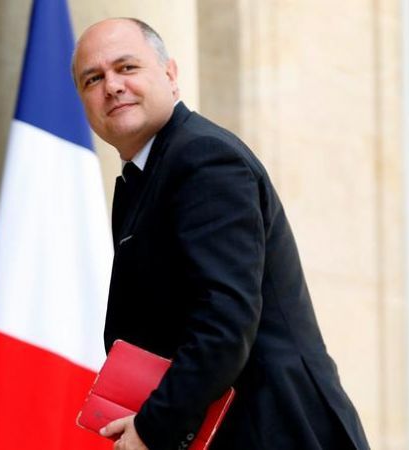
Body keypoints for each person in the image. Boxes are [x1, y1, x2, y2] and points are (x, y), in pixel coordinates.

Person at [72, 17, 370, 450]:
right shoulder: (145, 176)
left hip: (274, 429)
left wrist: (154, 428)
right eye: (93, 79)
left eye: (127, 67)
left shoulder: (204, 158)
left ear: (170, 74)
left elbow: (225, 320)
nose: (112, 86)